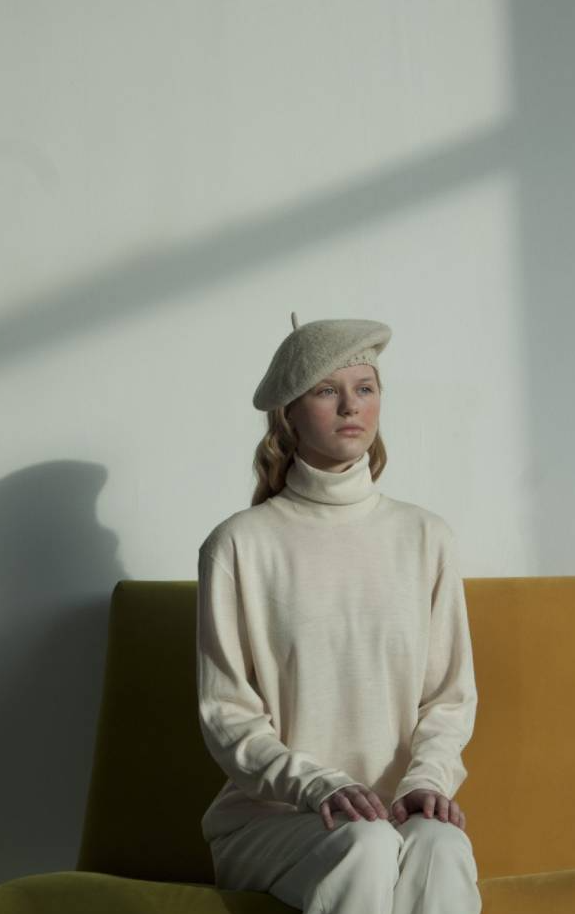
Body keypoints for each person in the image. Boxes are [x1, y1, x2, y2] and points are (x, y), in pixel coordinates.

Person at [197, 312, 482, 914]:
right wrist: (319, 785)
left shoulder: (426, 537)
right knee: (367, 845)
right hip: (272, 821)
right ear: (288, 414)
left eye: (365, 388)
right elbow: (226, 715)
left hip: (395, 810)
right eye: (327, 390)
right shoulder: (239, 545)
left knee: (442, 847)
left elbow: (448, 699)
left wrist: (425, 782)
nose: (351, 406)